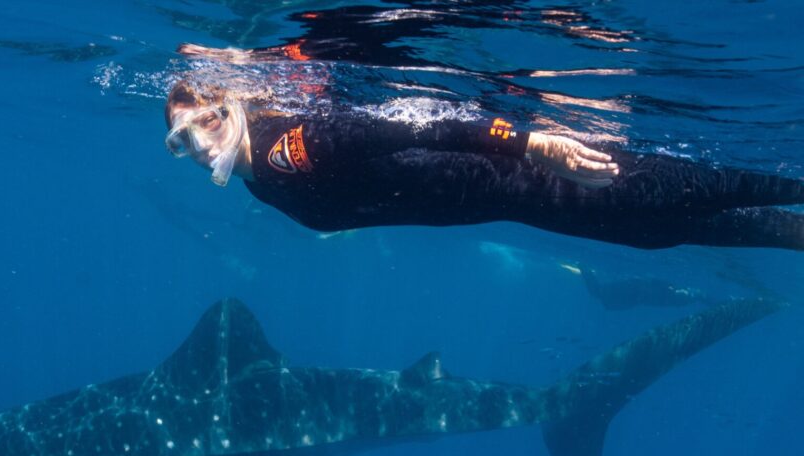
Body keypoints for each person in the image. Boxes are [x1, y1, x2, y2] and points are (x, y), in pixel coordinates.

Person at [164, 80, 804, 251]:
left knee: (695, 191)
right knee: (666, 226)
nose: (197, 145)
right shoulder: (261, 183)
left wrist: (533, 144)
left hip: (542, 177)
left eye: (206, 121)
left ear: (235, 104)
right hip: (530, 204)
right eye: (179, 141)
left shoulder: (289, 148)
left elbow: (416, 122)